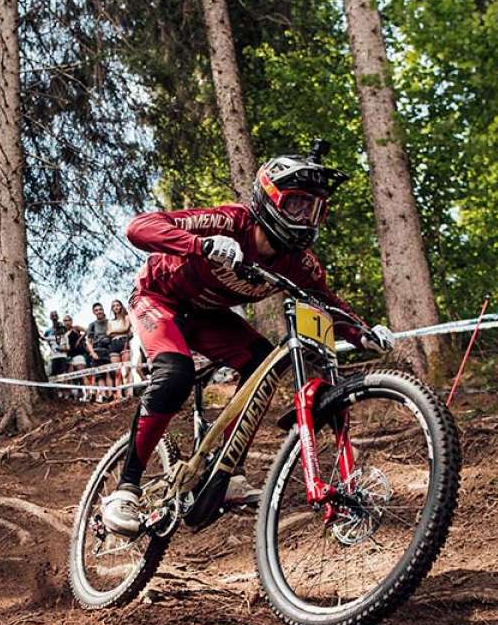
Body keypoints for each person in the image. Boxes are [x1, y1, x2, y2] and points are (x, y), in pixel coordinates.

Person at [101, 146, 394, 536]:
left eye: (315, 210)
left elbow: (328, 304)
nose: (305, 219)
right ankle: (126, 489)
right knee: (174, 374)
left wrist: (363, 332)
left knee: (262, 364)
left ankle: (228, 471)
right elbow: (139, 227)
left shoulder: (299, 262)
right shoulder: (230, 221)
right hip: (160, 299)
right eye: (296, 206)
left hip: (209, 317)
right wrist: (200, 244)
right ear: (269, 199)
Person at [85, 302, 113, 402]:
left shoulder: (109, 322)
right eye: (96, 310)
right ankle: (104, 396)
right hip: (97, 351)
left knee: (109, 373)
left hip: (108, 350)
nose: (99, 312)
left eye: (100, 309)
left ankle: (111, 395)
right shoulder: (92, 325)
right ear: (93, 312)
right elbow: (88, 341)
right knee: (100, 375)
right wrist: (92, 353)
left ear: (103, 310)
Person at [106, 299, 132, 398]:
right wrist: (118, 332)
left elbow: (125, 328)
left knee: (126, 369)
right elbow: (108, 333)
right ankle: (119, 394)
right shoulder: (110, 321)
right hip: (114, 344)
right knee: (117, 371)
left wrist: (114, 332)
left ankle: (129, 393)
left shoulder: (127, 317)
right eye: (114, 306)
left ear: (121, 306)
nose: (116, 307)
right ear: (112, 309)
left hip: (124, 342)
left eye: (118, 305)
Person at [43, 310, 69, 377]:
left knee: (64, 374)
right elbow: (46, 340)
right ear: (50, 317)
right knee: (54, 374)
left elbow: (67, 342)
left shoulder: (63, 329)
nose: (54, 317)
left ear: (58, 317)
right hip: (54, 356)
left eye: (55, 315)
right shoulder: (48, 331)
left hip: (63, 356)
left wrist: (62, 349)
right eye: (52, 316)